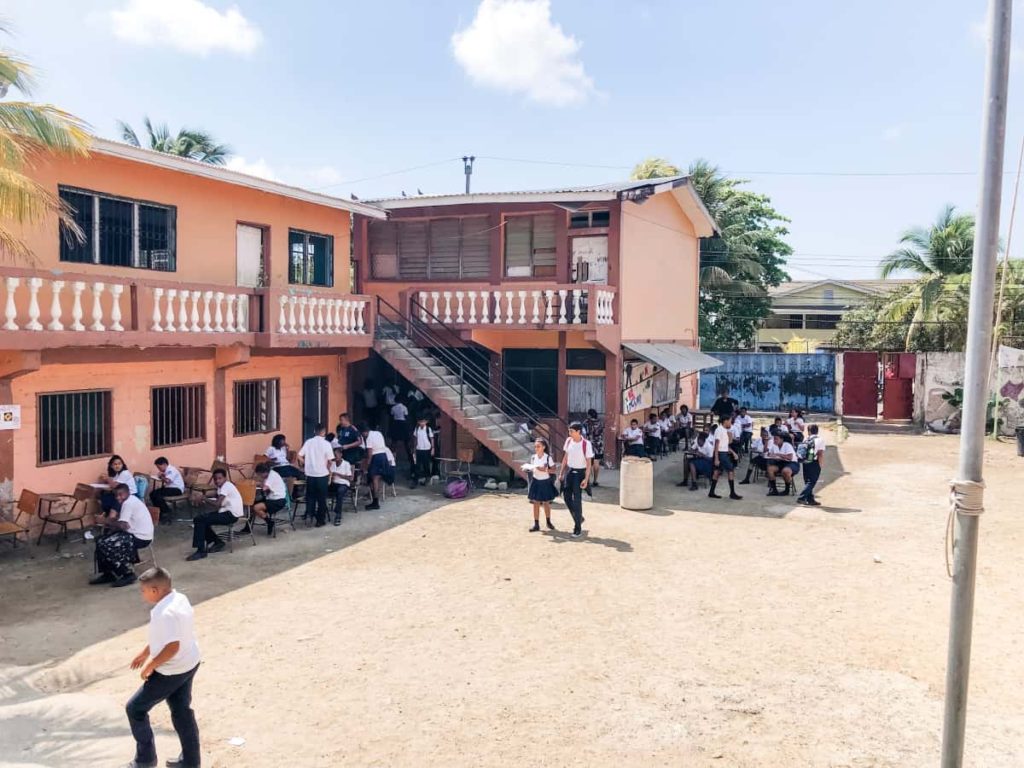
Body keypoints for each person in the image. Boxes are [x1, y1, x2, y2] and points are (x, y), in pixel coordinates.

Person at [125, 567, 201, 768]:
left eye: (144, 590)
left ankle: (145, 760)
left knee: (135, 709)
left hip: (171, 670)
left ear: (155, 590)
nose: (142, 594)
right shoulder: (179, 599)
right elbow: (168, 637)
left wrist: (150, 665)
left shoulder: (164, 613)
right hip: (190, 661)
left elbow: (172, 646)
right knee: (181, 711)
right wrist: (145, 652)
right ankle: (191, 763)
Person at [90, 483, 154, 588]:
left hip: (141, 537)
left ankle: (127, 573)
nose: (118, 497)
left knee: (108, 543)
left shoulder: (129, 503)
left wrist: (105, 520)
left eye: (121, 495)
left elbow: (123, 525)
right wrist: (109, 525)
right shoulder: (128, 501)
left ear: (128, 493)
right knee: (100, 540)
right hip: (132, 533)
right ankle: (109, 573)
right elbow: (122, 523)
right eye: (116, 495)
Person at [186, 468, 243, 561]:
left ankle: (201, 551)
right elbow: (217, 497)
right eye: (215, 479)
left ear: (225, 478)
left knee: (200, 520)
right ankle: (217, 542)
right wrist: (203, 497)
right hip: (225, 512)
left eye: (220, 478)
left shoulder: (227, 486)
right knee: (200, 519)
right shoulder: (223, 486)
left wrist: (204, 498)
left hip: (231, 515)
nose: (217, 481)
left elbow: (217, 504)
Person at [559, 422, 593, 538]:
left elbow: (589, 464)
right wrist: (561, 473)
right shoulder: (568, 441)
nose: (570, 433)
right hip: (570, 472)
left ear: (579, 432)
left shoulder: (586, 444)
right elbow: (565, 458)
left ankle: (577, 527)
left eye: (572, 431)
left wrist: (586, 479)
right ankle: (579, 518)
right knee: (567, 497)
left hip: (580, 473)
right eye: (569, 431)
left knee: (577, 500)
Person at [298, 424, 333, 527]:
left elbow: (299, 456)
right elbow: (330, 461)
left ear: (314, 431)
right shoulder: (326, 444)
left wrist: (306, 463)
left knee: (311, 496)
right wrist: (329, 471)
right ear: (324, 432)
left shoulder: (308, 442)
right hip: (322, 474)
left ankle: (309, 515)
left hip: (310, 474)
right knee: (321, 498)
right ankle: (320, 520)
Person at [525, 438, 557, 532]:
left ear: (543, 447)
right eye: (535, 446)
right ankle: (536, 524)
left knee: (546, 502)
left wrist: (544, 470)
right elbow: (532, 467)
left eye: (538, 446)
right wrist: (528, 468)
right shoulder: (533, 457)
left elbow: (554, 470)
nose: (536, 448)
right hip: (536, 481)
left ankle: (548, 521)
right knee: (536, 503)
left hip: (545, 481)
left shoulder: (548, 457)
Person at [709, 415, 742, 500]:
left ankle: (711, 492)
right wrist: (716, 458)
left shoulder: (724, 430)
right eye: (730, 421)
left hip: (722, 453)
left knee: (717, 472)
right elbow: (717, 444)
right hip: (721, 454)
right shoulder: (719, 430)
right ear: (725, 421)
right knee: (730, 471)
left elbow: (725, 445)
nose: (731, 423)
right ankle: (732, 493)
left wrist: (733, 453)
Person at [249, 462, 287, 535]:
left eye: (259, 474)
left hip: (278, 500)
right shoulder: (268, 475)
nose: (259, 476)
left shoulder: (272, 476)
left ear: (264, 472)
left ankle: (269, 522)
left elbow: (264, 488)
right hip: (271, 498)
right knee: (251, 504)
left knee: (256, 508)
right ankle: (247, 527)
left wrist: (258, 483)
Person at [151, 457, 185, 525]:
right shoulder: (166, 470)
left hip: (176, 489)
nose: (159, 469)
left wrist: (161, 477)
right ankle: (160, 512)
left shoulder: (171, 470)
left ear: (164, 464)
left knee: (158, 496)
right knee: (152, 494)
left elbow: (167, 480)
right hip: (170, 488)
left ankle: (166, 512)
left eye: (159, 467)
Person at [797, 425, 825, 506]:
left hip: (805, 461)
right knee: (812, 481)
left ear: (809, 431)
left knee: (807, 480)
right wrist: (821, 464)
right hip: (814, 462)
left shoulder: (806, 439)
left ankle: (810, 499)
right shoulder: (820, 440)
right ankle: (802, 497)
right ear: (817, 431)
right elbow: (820, 453)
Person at [362, 423, 388, 511]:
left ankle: (375, 502)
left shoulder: (369, 438)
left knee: (375, 480)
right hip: (383, 456)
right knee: (378, 479)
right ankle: (376, 499)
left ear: (364, 432)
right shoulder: (378, 433)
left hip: (376, 457)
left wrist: (367, 466)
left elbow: (370, 454)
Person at [329, 448, 353, 525]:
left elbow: (350, 478)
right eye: (334, 455)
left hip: (343, 483)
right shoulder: (332, 464)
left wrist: (338, 474)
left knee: (340, 491)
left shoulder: (346, 464)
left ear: (341, 454)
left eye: (336, 455)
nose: (335, 457)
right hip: (334, 483)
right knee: (321, 489)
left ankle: (338, 515)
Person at [583, 408, 604, 487]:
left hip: (589, 444)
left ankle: (587, 480)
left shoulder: (586, 422)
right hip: (598, 445)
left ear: (589, 414)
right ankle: (595, 481)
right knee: (596, 462)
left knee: (588, 463)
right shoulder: (600, 422)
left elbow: (584, 433)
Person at [411, 416, 434, 485]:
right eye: (421, 422)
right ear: (418, 422)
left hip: (426, 449)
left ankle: (427, 478)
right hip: (419, 449)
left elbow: (432, 438)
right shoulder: (417, 429)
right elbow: (415, 439)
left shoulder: (428, 429)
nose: (422, 423)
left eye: (423, 421)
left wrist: (433, 449)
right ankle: (415, 481)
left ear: (426, 422)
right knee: (417, 465)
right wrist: (414, 449)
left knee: (426, 465)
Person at [389, 398, 411, 464]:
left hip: (396, 423)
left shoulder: (393, 407)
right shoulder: (404, 407)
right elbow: (406, 417)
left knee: (394, 441)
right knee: (406, 441)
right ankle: (409, 456)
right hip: (403, 424)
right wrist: (408, 426)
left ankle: (393, 457)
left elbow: (392, 416)